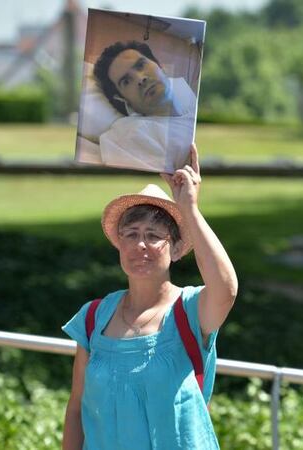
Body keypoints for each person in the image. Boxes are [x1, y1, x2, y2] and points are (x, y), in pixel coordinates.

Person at [62, 144, 237, 449]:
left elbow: (226, 288)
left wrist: (190, 208)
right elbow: (77, 409)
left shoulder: (190, 310)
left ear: (177, 248)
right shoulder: (93, 318)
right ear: (120, 245)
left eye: (154, 236)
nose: (140, 245)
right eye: (131, 234)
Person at [92, 40, 198, 173]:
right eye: (126, 81)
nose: (140, 78)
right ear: (122, 99)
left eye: (141, 65)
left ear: (160, 66)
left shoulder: (194, 101)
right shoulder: (132, 134)